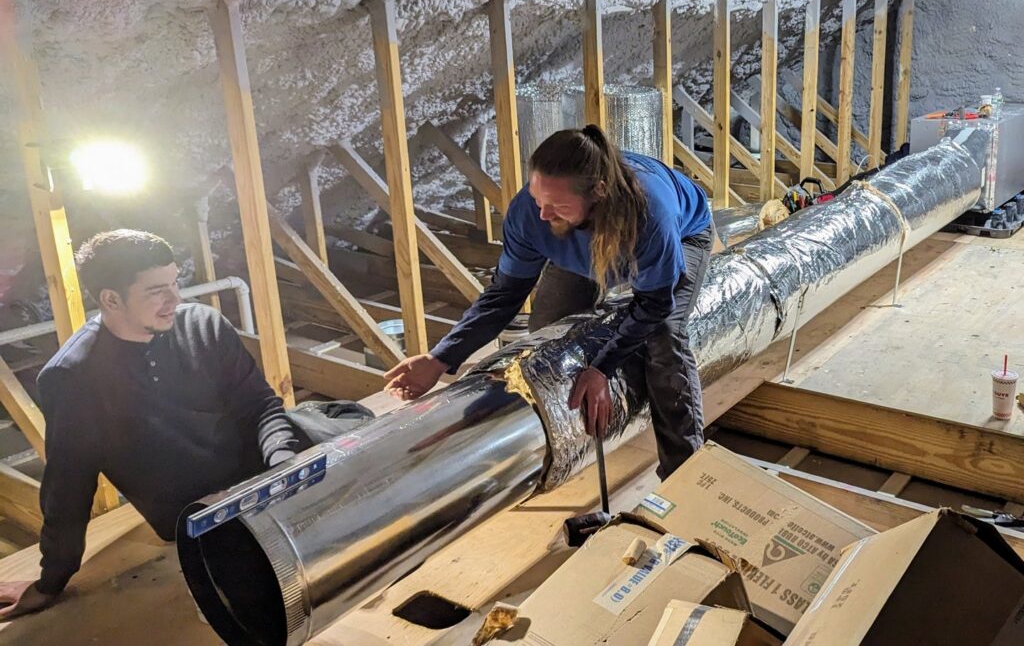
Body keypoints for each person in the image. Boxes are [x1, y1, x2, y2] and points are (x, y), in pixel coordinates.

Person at [0, 230, 369, 619]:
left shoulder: (203, 325)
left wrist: (284, 463)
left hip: (267, 468)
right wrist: (50, 581)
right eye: (157, 290)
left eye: (175, 283)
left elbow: (259, 405)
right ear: (111, 299)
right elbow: (68, 485)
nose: (175, 298)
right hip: (200, 514)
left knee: (361, 442)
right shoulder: (73, 377)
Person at [385, 124, 712, 480]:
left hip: (685, 235)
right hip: (583, 236)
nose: (543, 213)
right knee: (547, 336)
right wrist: (441, 358)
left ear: (599, 192)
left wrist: (602, 369)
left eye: (556, 204)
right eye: (538, 198)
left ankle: (684, 474)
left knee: (663, 337)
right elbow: (504, 295)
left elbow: (654, 305)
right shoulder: (533, 213)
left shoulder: (649, 215)